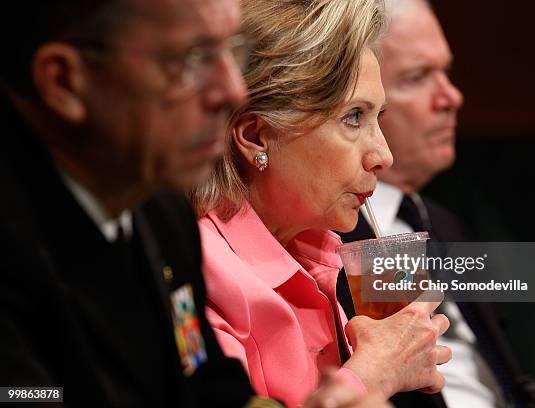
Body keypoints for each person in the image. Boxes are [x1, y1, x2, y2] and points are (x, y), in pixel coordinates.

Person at [0, 0, 391, 407]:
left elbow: (205, 381)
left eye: (230, 52)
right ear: (65, 81)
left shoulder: (161, 212)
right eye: (192, 59)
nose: (232, 90)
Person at [191, 0, 452, 407]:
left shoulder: (323, 251)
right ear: (257, 136)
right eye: (353, 118)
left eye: (379, 116)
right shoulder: (197, 275)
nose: (383, 156)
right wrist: (372, 376)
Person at [338, 1, 535, 407]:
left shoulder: (443, 225)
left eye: (446, 72)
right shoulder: (331, 229)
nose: (451, 96)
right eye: (417, 78)